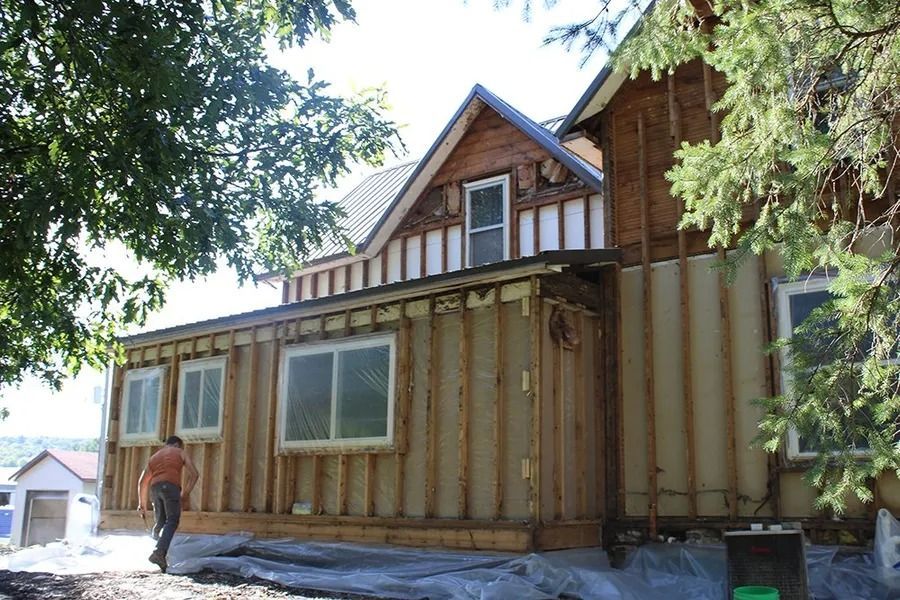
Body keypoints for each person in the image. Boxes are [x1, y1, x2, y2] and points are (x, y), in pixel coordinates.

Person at [137, 435, 199, 573]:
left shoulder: (154, 457)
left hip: (155, 488)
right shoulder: (180, 452)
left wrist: (142, 505)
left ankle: (155, 541)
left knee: (161, 521)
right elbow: (194, 474)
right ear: (177, 445)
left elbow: (142, 482)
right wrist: (185, 494)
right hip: (171, 487)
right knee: (172, 520)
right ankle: (159, 552)